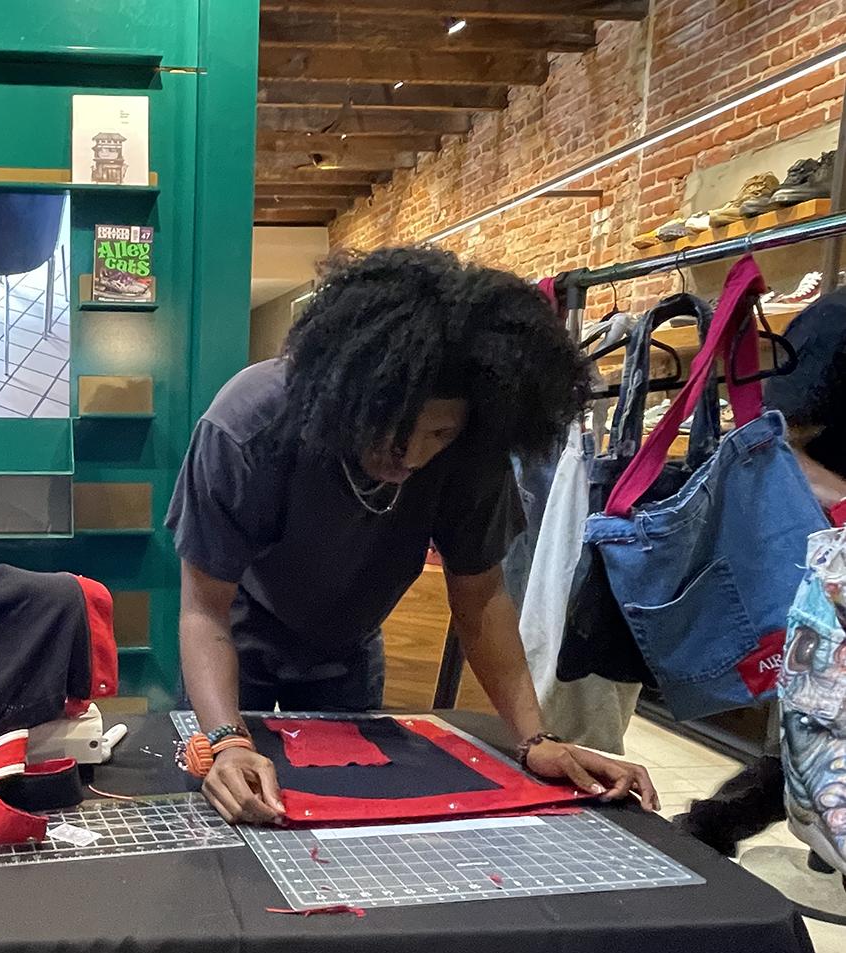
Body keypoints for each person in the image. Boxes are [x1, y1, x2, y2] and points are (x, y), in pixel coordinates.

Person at [166, 247, 657, 824]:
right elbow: (204, 611)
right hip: (237, 636)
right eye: (392, 432)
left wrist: (534, 740)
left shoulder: (475, 451)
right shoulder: (246, 427)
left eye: (438, 434)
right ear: (348, 402)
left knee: (346, 816)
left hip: (348, 647)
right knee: (229, 807)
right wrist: (227, 743)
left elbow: (482, 600)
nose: (411, 457)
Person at [678, 286, 846, 855]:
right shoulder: (838, 319)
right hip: (830, 556)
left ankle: (712, 827)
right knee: (820, 729)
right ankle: (711, 827)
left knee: (820, 731)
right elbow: (779, 434)